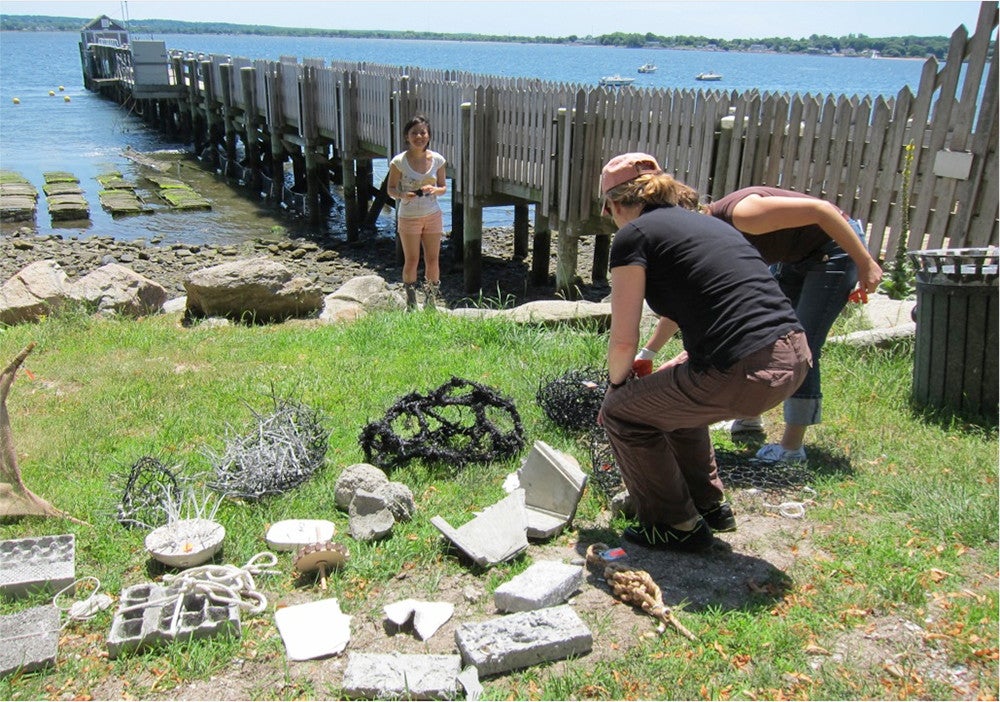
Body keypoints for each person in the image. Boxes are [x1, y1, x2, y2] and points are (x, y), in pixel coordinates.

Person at [598, 153, 812, 552]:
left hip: (743, 371)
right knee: (672, 393)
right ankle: (709, 504)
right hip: (795, 356)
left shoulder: (634, 236)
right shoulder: (706, 223)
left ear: (612, 204)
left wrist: (616, 387)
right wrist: (651, 358)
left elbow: (622, 338)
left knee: (622, 413)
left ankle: (675, 523)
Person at [692, 187, 882, 462]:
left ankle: (792, 448)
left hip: (834, 248)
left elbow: (823, 211)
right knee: (758, 333)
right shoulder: (712, 237)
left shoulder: (744, 214)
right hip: (796, 256)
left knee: (801, 345)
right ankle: (748, 417)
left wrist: (865, 263)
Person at [386, 115, 447, 310]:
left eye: (423, 132)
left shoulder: (437, 160)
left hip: (432, 215)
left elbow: (444, 187)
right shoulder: (399, 161)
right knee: (411, 259)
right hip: (408, 216)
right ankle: (411, 302)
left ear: (429, 135)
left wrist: (435, 190)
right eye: (414, 133)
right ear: (407, 136)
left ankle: (430, 301)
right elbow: (391, 189)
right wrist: (402, 195)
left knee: (432, 259)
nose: (419, 136)